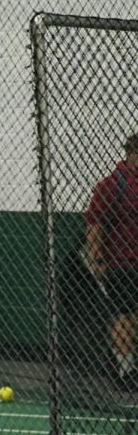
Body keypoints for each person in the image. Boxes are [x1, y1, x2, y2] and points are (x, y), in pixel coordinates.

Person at [85, 132, 138, 389]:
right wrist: (97, 259)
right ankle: (124, 370)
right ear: (131, 154)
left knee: (131, 316)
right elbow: (95, 223)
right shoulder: (112, 185)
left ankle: (126, 362)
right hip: (121, 263)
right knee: (123, 315)